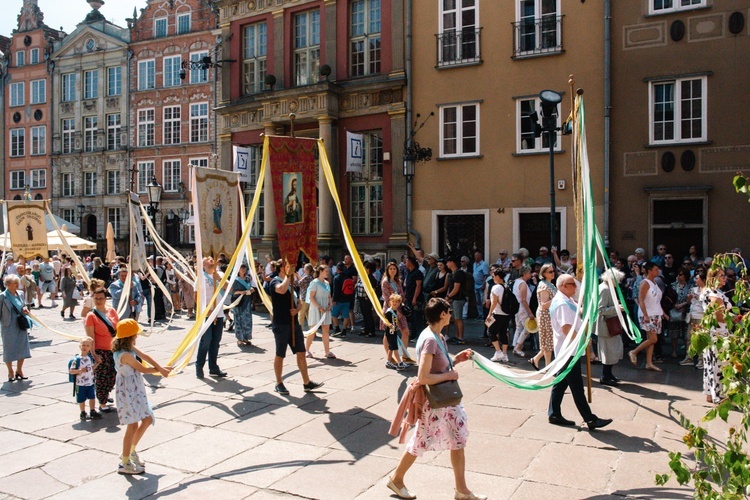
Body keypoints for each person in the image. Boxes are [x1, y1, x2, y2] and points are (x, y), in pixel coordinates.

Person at [387, 297, 484, 500]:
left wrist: (456, 359)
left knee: (457, 440)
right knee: (421, 441)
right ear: (442, 314)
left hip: (445, 402)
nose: (450, 314)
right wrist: (449, 375)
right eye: (448, 311)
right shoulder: (430, 339)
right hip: (436, 402)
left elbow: (438, 365)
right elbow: (424, 377)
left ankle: (461, 490)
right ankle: (397, 479)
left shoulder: (435, 335)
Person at [548, 274, 613, 430]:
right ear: (563, 286)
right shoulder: (562, 303)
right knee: (577, 386)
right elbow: (566, 328)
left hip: (569, 350)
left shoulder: (567, 300)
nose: (575, 287)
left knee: (561, 383)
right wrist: (582, 341)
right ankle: (590, 419)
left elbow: (577, 313)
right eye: (572, 284)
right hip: (568, 351)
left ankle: (554, 413)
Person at [112, 318, 172, 474]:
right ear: (129, 336)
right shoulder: (125, 355)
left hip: (135, 389)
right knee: (132, 425)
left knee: (147, 418)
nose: (137, 337)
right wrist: (161, 371)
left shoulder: (130, 348)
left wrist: (160, 366)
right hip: (127, 393)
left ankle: (130, 451)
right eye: (135, 334)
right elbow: (143, 369)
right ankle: (124, 463)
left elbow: (146, 357)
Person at [270, 260, 323, 395]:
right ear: (282, 268)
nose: (291, 268)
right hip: (281, 323)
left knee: (301, 351)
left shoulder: (292, 282)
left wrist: (297, 309)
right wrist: (288, 276)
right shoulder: (274, 281)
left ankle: (306, 382)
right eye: (288, 266)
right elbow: (281, 290)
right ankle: (279, 383)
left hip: (293, 323)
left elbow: (299, 301)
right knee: (280, 353)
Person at [84, 287, 119, 412]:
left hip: (114, 350)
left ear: (106, 298)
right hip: (100, 350)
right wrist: (93, 354)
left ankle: (106, 394)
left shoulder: (112, 311)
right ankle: (102, 402)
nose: (99, 301)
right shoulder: (91, 316)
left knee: (113, 375)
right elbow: (90, 337)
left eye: (101, 298)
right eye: (96, 298)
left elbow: (118, 330)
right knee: (102, 377)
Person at [701, 268, 732, 404]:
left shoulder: (715, 292)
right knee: (719, 364)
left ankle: (710, 393)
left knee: (711, 363)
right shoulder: (714, 294)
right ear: (713, 278)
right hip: (719, 332)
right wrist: (734, 318)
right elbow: (718, 315)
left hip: (714, 331)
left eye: (725, 275)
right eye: (721, 275)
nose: (724, 278)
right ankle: (718, 394)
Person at [628, 262, 664, 372]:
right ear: (649, 271)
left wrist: (663, 313)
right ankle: (634, 352)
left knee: (651, 340)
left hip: (656, 313)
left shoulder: (654, 283)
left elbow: (656, 301)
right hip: (648, 314)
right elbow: (641, 300)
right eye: (655, 269)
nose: (657, 271)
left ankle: (649, 363)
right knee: (653, 338)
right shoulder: (645, 283)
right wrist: (645, 314)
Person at [196, 257, 228, 379]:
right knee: (206, 341)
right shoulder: (201, 278)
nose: (211, 261)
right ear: (203, 264)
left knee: (215, 342)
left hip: (218, 313)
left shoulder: (219, 275)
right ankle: (199, 367)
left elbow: (228, 287)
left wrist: (219, 279)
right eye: (208, 261)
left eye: (212, 260)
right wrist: (205, 310)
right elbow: (196, 296)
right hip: (207, 315)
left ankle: (213, 367)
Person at [381, 261, 416, 364]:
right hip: (390, 310)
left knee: (405, 331)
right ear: (387, 270)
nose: (393, 270)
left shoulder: (398, 281)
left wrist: (401, 302)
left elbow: (402, 293)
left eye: (394, 269)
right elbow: (387, 298)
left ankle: (404, 355)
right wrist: (394, 309)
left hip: (400, 308)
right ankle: (389, 356)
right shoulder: (385, 282)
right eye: (390, 269)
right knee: (388, 334)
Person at [596, 268, 626, 386]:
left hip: (609, 325)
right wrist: (617, 308)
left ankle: (608, 374)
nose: (619, 282)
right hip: (606, 325)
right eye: (618, 280)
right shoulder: (605, 289)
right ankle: (605, 376)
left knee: (612, 351)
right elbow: (600, 310)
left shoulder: (606, 288)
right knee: (608, 351)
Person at [1, 275, 32, 382]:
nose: (17, 285)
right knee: (9, 347)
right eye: (14, 283)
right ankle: (10, 371)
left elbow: (23, 305)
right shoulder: (2, 296)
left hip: (20, 322)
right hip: (8, 324)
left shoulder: (20, 293)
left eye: (17, 282)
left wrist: (25, 309)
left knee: (22, 346)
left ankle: (19, 370)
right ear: (8, 284)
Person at [304, 264, 334, 359]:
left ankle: (327, 351)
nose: (327, 273)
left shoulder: (327, 283)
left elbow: (329, 296)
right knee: (313, 330)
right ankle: (307, 350)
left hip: (325, 309)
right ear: (320, 272)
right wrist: (319, 307)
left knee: (326, 330)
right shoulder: (314, 283)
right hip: (316, 308)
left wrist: (330, 304)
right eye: (326, 271)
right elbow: (311, 297)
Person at [530, 263, 556, 369]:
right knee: (547, 341)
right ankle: (547, 366)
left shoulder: (551, 284)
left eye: (553, 271)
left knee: (548, 341)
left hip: (550, 315)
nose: (553, 273)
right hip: (545, 316)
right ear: (544, 273)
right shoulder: (543, 286)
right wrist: (557, 298)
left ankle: (537, 360)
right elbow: (544, 304)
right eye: (550, 272)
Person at [68, 337, 102, 420]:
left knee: (92, 397)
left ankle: (92, 410)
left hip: (90, 382)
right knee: (81, 399)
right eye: (83, 345)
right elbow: (71, 371)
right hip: (80, 384)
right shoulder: (77, 359)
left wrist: (97, 364)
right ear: (80, 346)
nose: (85, 347)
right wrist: (79, 370)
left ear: (90, 348)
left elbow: (91, 369)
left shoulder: (89, 358)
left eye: (87, 346)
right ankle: (83, 412)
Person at [681, 268, 707, 367]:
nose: (695, 280)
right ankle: (689, 357)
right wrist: (689, 298)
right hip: (692, 315)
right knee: (689, 338)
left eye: (697, 278)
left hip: (702, 316)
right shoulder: (693, 289)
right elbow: (689, 303)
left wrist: (698, 297)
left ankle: (701, 360)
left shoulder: (708, 291)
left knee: (700, 339)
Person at [486, 269, 511, 363]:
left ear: (497, 276)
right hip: (506, 313)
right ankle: (504, 355)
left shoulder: (495, 288)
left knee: (491, 332)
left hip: (497, 313)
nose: (493, 278)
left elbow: (494, 302)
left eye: (493, 276)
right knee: (503, 333)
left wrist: (489, 314)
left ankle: (498, 351)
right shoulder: (506, 286)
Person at [230, 263, 256, 347]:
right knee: (239, 319)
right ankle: (239, 338)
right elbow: (232, 291)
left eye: (244, 268)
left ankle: (246, 337)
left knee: (247, 320)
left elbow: (250, 287)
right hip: (238, 301)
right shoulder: (235, 279)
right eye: (241, 268)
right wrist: (241, 292)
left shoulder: (248, 278)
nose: (243, 270)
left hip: (247, 301)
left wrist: (251, 290)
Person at [511, 266, 535, 357]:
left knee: (518, 327)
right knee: (528, 328)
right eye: (529, 273)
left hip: (517, 308)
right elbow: (523, 300)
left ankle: (515, 345)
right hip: (522, 308)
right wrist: (530, 312)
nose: (530, 275)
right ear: (525, 274)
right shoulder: (523, 284)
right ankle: (518, 346)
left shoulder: (517, 282)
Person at [444, 256, 467, 344]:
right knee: (455, 318)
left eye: (448, 262)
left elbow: (456, 288)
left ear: (452, 262)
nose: (446, 264)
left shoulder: (458, 273)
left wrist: (448, 296)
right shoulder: (453, 273)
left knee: (458, 318)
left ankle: (461, 337)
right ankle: (457, 336)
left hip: (458, 298)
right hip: (454, 299)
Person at [384, 294, 407, 370]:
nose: (394, 303)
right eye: (393, 301)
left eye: (396, 302)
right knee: (395, 348)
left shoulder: (394, 311)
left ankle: (388, 361)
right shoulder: (389, 312)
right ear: (390, 302)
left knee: (391, 348)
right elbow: (385, 321)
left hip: (393, 332)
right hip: (390, 333)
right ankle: (399, 362)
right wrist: (389, 325)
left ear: (399, 303)